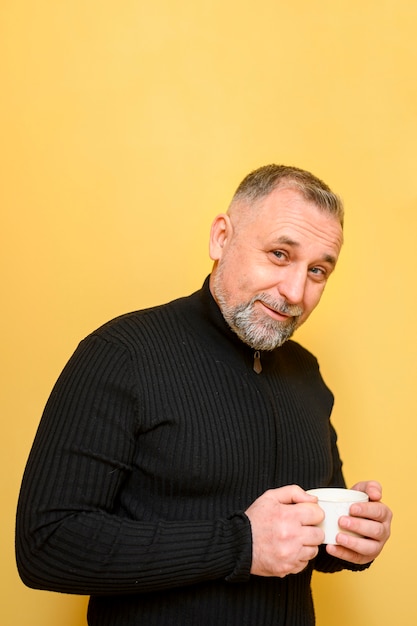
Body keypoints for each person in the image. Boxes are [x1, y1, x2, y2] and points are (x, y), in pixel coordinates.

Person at [16, 164, 392, 626]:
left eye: (317, 270)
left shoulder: (306, 371)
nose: (295, 291)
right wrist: (240, 544)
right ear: (221, 239)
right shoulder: (121, 353)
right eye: (278, 254)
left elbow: (301, 541)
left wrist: (352, 540)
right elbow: (46, 543)